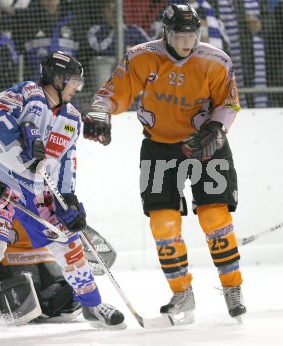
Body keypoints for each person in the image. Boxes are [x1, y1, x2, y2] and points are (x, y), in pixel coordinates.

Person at [81, 3, 246, 325]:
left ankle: (232, 287)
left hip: (205, 146)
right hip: (159, 148)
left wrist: (216, 128)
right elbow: (114, 91)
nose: (187, 41)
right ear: (166, 33)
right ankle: (182, 292)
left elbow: (229, 102)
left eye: (192, 34)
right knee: (162, 223)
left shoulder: (215, 60)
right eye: (180, 34)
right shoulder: (142, 55)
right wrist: (101, 111)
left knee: (215, 217)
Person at [0, 51, 125, 341]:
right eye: (73, 83)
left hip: (37, 188)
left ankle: (93, 306)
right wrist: (20, 144)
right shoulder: (28, 93)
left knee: (68, 240)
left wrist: (69, 198)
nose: (76, 89)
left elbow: (67, 161)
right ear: (57, 79)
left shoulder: (71, 118)